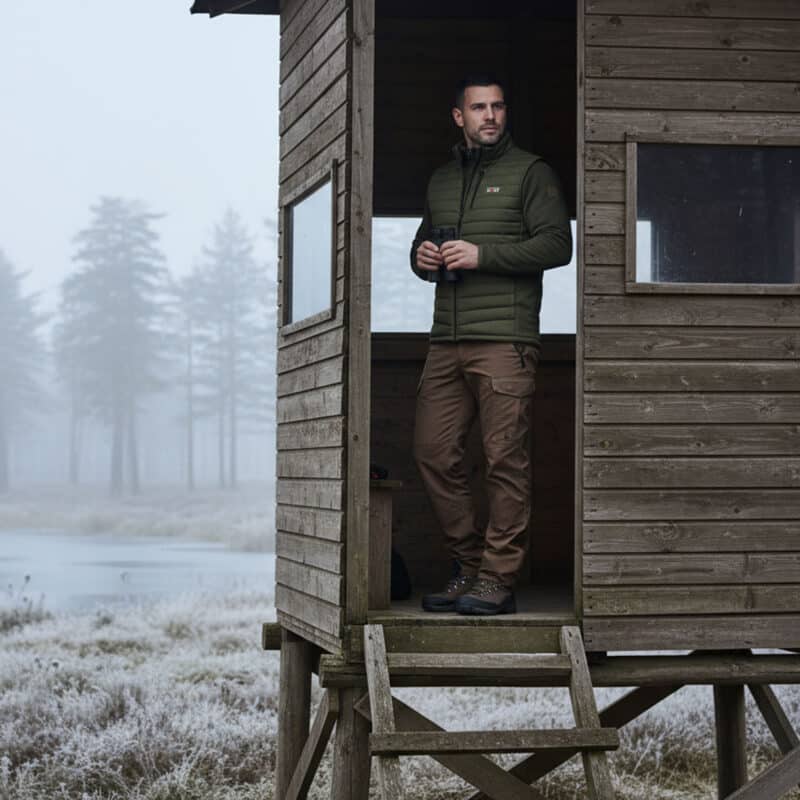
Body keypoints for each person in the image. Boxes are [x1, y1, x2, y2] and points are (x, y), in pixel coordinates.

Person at [410, 74, 572, 615]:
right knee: (433, 452)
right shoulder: (440, 180)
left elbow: (557, 244)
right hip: (446, 339)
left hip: (506, 339)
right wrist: (423, 260)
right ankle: (469, 566)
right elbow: (421, 243)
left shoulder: (531, 172)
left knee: (504, 460)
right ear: (460, 116)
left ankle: (498, 580)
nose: (490, 116)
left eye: (498, 106)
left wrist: (484, 255)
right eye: (478, 107)